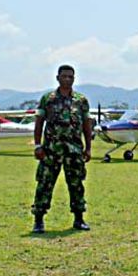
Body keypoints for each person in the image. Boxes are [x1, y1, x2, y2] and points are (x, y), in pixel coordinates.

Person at [30, 64, 94, 233]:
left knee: (76, 184)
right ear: (57, 78)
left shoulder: (81, 100)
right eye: (64, 76)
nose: (67, 79)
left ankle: (79, 219)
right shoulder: (48, 98)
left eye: (70, 77)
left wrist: (88, 148)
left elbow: (87, 126)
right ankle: (38, 220)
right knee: (44, 184)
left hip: (74, 151)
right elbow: (39, 123)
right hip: (51, 150)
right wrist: (37, 146)